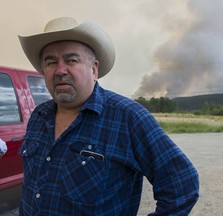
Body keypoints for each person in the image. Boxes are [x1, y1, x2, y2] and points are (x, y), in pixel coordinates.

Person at [18, 17, 199, 215]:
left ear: (94, 69)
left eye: (71, 60)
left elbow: (182, 186)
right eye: (51, 62)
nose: (60, 70)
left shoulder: (129, 117)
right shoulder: (38, 115)